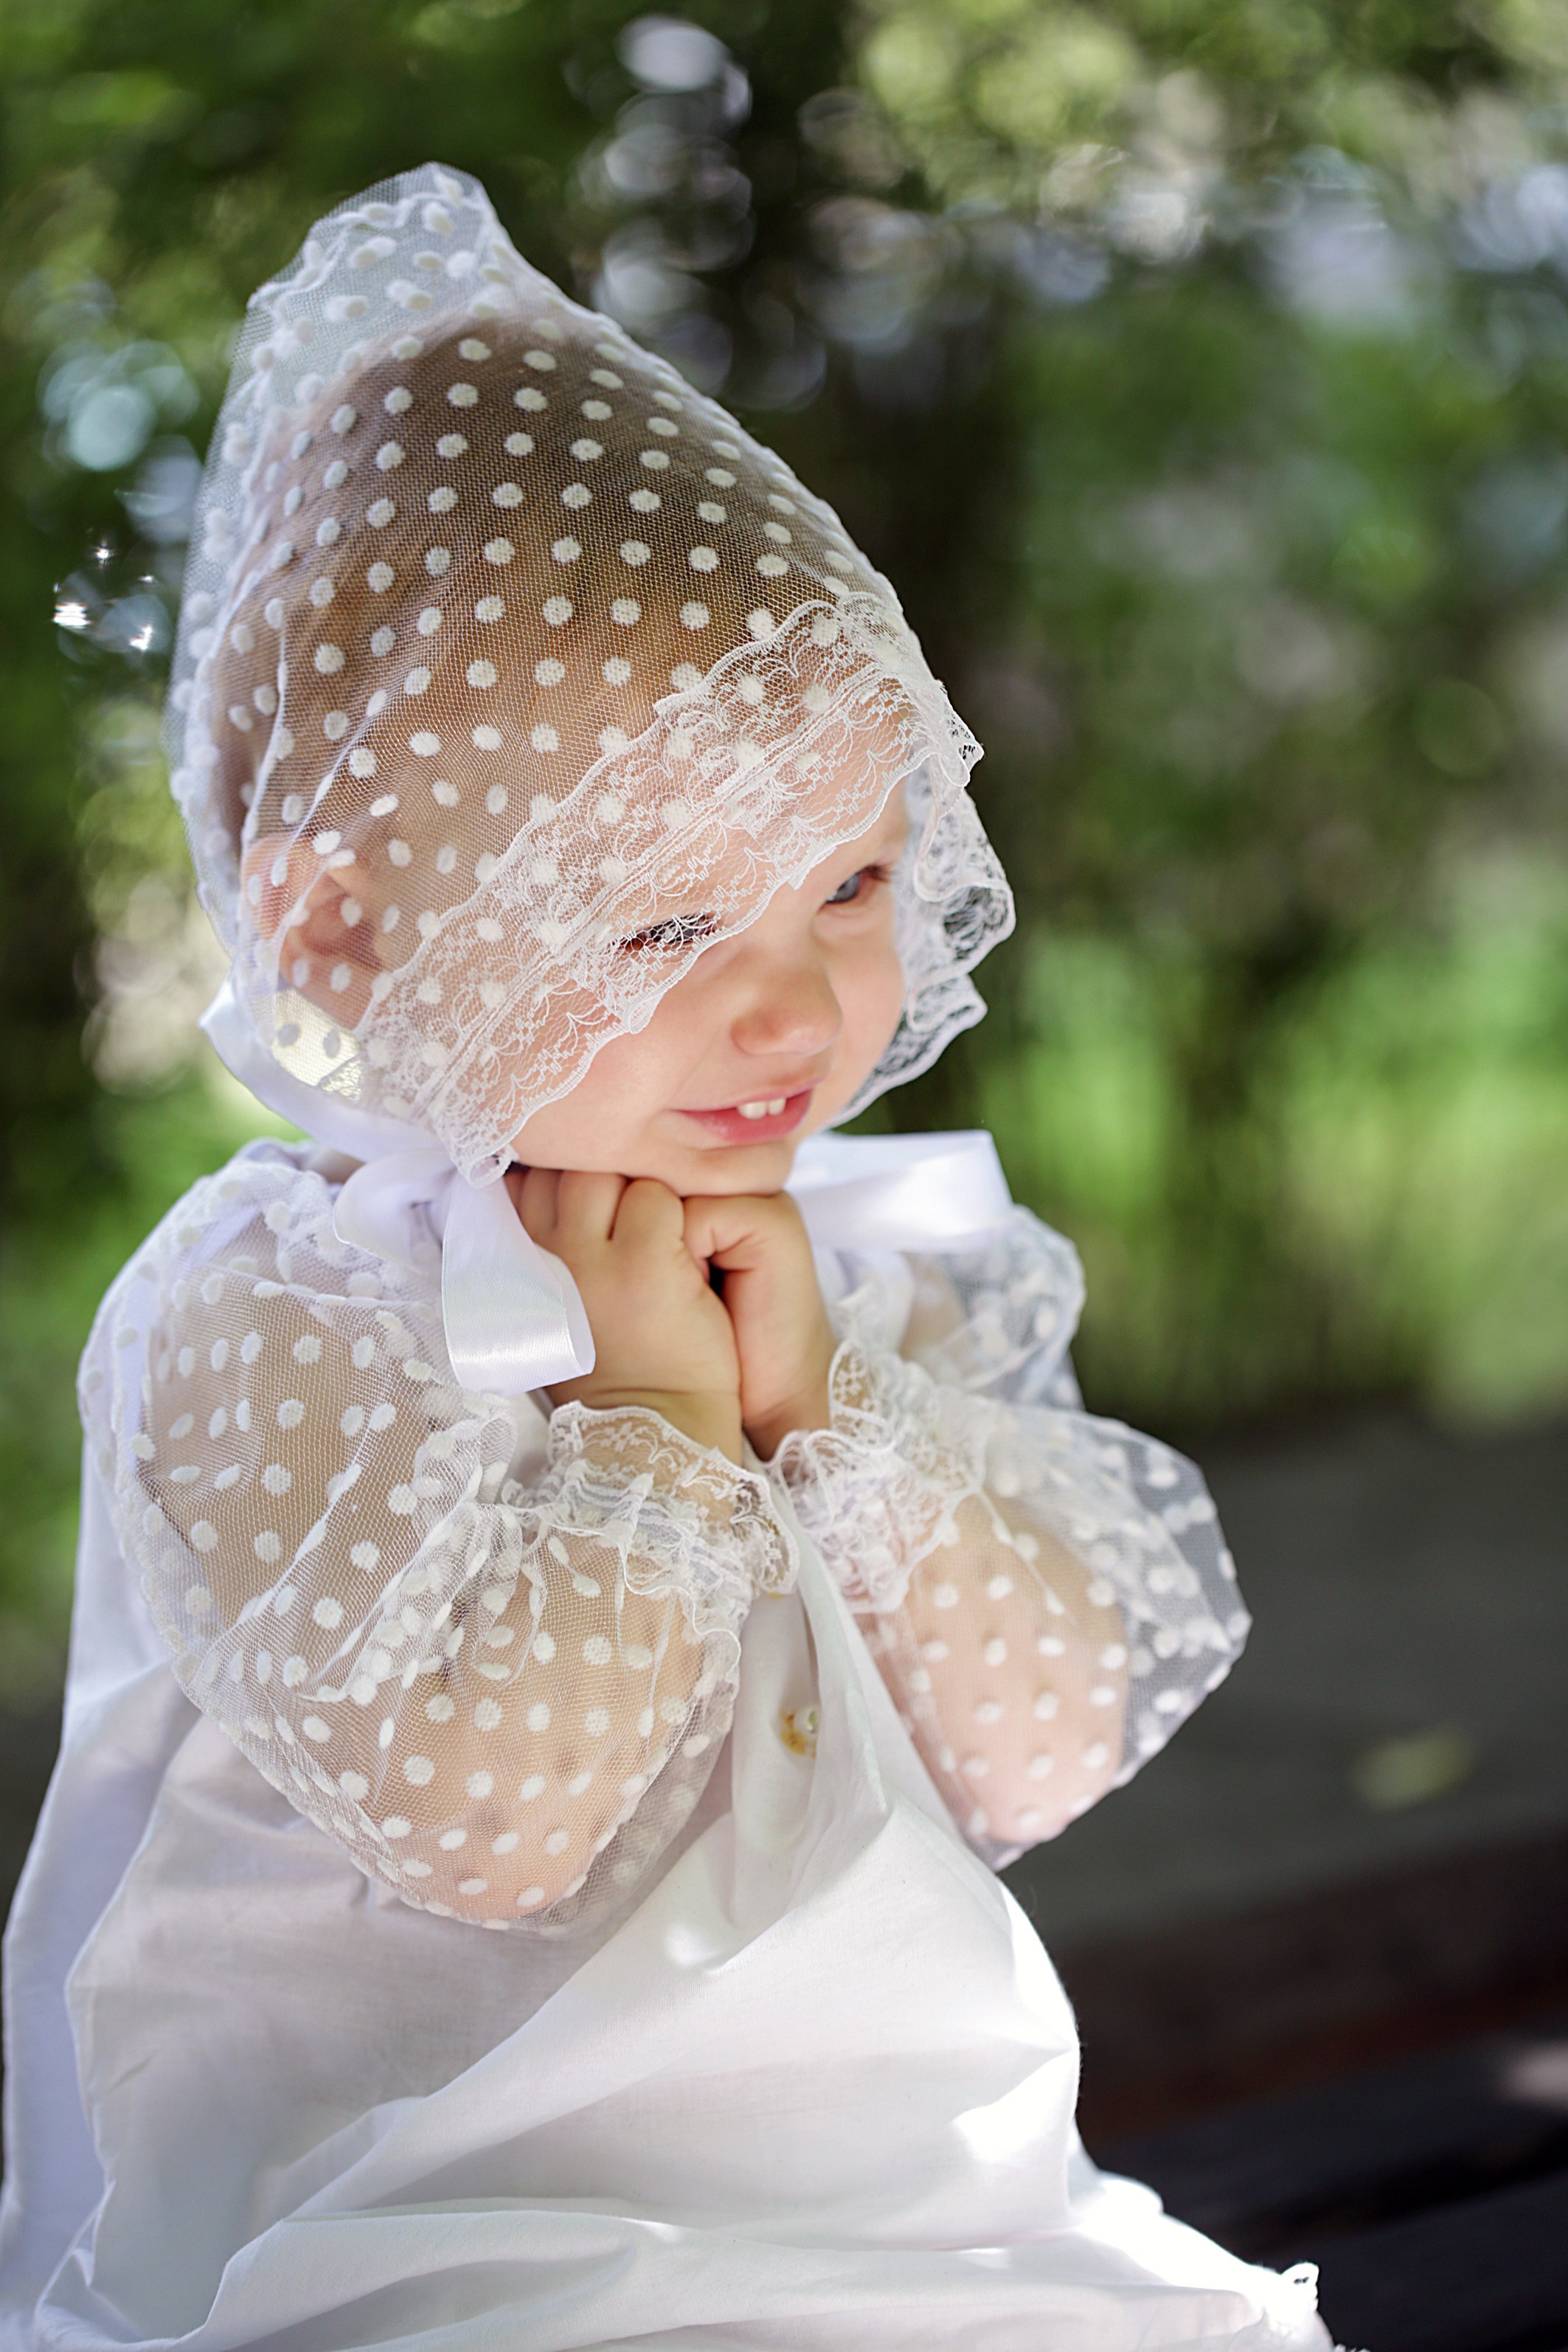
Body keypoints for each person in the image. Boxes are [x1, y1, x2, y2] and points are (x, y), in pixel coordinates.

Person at [0, 165, 1331, 2351]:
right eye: (658, 923)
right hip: (449, 2224)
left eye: (848, 878)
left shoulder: (853, 1269)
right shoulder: (281, 1313)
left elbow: (1045, 1746)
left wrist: (843, 1416)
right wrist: (657, 1433)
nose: (798, 1007)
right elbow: (487, 1827)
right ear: (343, 927)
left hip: (918, 2203)